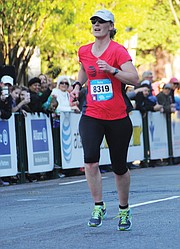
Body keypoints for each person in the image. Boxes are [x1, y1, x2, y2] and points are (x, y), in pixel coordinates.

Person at [70, 9, 139, 231]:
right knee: (90, 160)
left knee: (119, 167)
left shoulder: (118, 51)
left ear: (111, 26)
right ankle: (98, 205)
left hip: (118, 116)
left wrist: (112, 70)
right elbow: (83, 68)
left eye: (101, 21)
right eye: (93, 21)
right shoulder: (84, 51)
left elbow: (135, 79)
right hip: (92, 113)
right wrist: (77, 86)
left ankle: (124, 209)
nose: (96, 24)